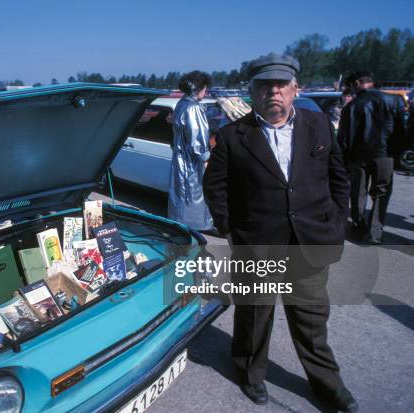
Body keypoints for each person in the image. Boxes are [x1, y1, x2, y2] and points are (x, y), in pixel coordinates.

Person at [204, 53, 357, 412]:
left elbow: (338, 176)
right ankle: (250, 373)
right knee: (255, 317)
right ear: (252, 92)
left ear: (294, 89)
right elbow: (216, 188)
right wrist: (232, 232)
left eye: (280, 85)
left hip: (310, 244)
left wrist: (337, 222)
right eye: (264, 86)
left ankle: (327, 384)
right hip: (258, 247)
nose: (273, 92)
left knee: (312, 321)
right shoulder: (231, 137)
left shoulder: (318, 126)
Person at [338, 71, 404, 244]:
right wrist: (398, 155)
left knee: (358, 192)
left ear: (358, 83)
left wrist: (344, 162)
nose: (351, 90)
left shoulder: (350, 107)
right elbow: (400, 132)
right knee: (381, 192)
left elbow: (343, 139)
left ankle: (358, 226)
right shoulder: (393, 100)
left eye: (352, 86)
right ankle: (375, 231)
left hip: (357, 157)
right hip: (384, 154)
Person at [168, 71, 215, 233]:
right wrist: (206, 158)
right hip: (191, 163)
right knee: (193, 195)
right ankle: (195, 228)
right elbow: (198, 140)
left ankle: (181, 227)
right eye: (204, 89)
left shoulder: (182, 103)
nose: (206, 92)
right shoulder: (193, 107)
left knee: (181, 195)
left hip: (181, 158)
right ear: (198, 89)